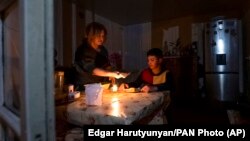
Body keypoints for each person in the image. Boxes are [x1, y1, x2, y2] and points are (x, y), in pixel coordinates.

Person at [119, 48, 173, 124]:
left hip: (164, 105)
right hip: (149, 103)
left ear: (160, 60)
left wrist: (154, 88)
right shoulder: (145, 73)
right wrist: (127, 85)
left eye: (152, 60)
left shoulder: (167, 73)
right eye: (148, 60)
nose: (149, 63)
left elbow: (169, 86)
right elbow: (136, 83)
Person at [73, 22, 129, 91]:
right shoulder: (83, 50)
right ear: (91, 35)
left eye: (103, 36)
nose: (101, 38)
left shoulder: (103, 50)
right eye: (98, 35)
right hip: (83, 86)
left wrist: (111, 73)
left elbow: (107, 65)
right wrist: (112, 73)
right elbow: (92, 70)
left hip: (99, 85)